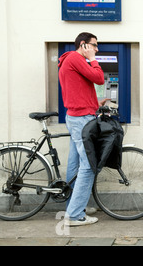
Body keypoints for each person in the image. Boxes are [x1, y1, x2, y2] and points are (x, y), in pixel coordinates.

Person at [58, 32, 109, 226]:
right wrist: (93, 60)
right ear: (83, 44)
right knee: (88, 166)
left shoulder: (70, 60)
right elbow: (98, 78)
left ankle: (74, 205)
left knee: (75, 164)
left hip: (76, 115)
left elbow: (77, 90)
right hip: (81, 119)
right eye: (94, 45)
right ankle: (75, 215)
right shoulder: (76, 58)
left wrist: (94, 103)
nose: (96, 49)